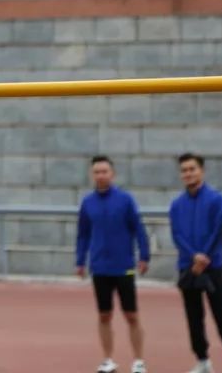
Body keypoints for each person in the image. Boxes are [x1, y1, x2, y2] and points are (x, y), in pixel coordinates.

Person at [75, 155, 150, 373]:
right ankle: (108, 359)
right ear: (92, 175)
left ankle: (138, 361)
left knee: (131, 315)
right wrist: (80, 261)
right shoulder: (87, 203)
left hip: (124, 265)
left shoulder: (125, 200)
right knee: (104, 315)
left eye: (104, 171)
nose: (100, 175)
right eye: (96, 172)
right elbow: (83, 235)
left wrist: (144, 256)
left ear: (112, 174)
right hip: (100, 267)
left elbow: (138, 229)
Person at [168, 153, 222, 373]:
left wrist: (204, 255)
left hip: (213, 266)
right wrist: (193, 256)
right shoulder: (177, 204)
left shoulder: (216, 199)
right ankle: (203, 361)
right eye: (184, 170)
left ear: (202, 171)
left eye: (192, 169)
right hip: (188, 267)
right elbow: (177, 234)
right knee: (194, 318)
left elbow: (220, 228)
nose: (188, 174)